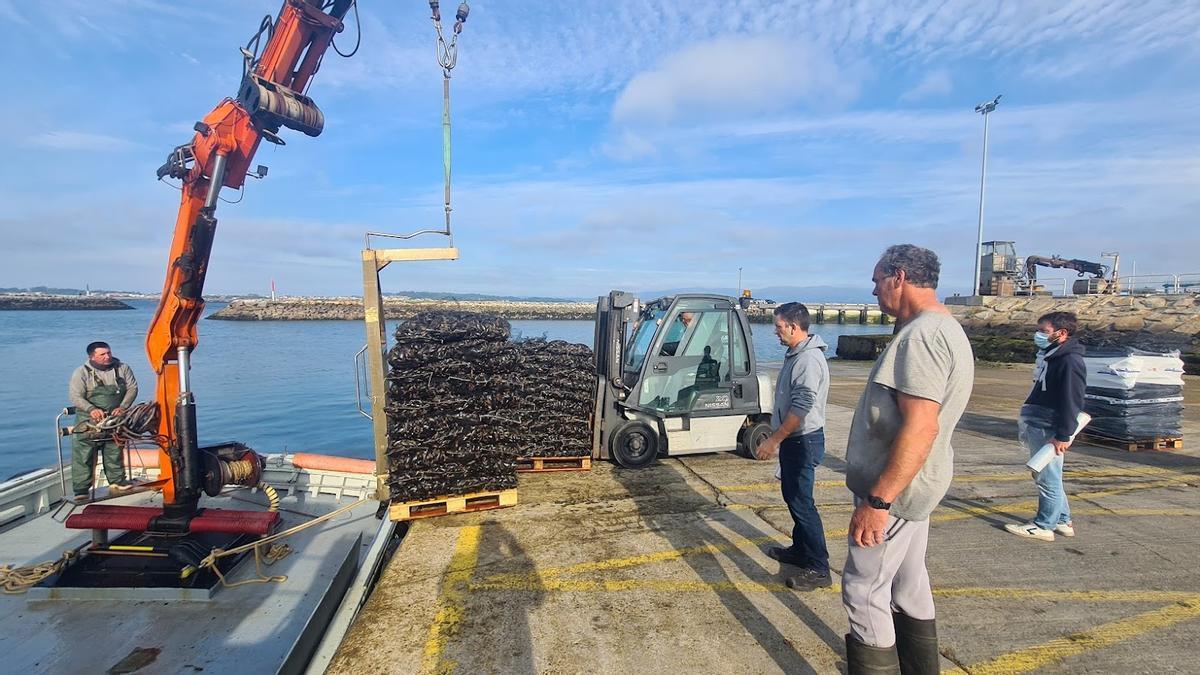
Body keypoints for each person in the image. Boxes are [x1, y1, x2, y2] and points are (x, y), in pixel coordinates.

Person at [841, 245, 974, 675]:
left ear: (898, 277)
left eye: (877, 281)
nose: (874, 291)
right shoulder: (942, 328)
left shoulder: (923, 336)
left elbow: (921, 426)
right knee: (909, 585)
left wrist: (878, 503)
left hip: (896, 491)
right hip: (917, 487)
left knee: (863, 591)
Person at [753, 302, 832, 591]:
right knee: (793, 498)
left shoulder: (808, 360)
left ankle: (819, 567)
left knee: (802, 503)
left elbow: (802, 405)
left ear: (794, 327)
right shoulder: (797, 354)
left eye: (778, 327)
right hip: (795, 440)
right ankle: (801, 551)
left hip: (803, 440)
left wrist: (774, 440)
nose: (776, 332)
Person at [1004, 311, 1087, 542]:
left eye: (1044, 331)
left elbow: (1073, 399)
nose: (1038, 335)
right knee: (1052, 475)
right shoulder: (1053, 355)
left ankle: (1044, 525)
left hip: (1049, 427)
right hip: (1040, 421)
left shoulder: (1069, 361)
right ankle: (1062, 519)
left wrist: (1063, 434)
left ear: (1061, 334)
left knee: (1046, 476)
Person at [68, 341, 138, 501]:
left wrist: (123, 406)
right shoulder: (81, 372)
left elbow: (133, 388)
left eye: (109, 353)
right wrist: (91, 409)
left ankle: (117, 481)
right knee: (84, 455)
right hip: (88, 422)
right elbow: (75, 396)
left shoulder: (122, 368)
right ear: (92, 357)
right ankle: (81, 489)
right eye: (103, 354)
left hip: (115, 420)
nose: (108, 356)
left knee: (115, 449)